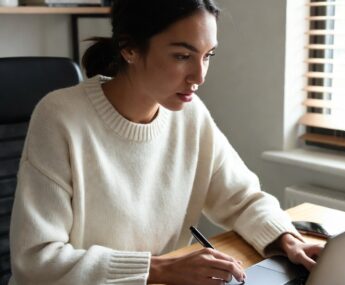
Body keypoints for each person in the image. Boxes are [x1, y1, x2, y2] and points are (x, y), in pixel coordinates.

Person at [9, 0, 323, 284]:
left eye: (208, 56)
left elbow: (243, 199)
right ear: (129, 49)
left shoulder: (191, 116)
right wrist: (158, 269)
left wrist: (286, 238)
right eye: (183, 56)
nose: (199, 76)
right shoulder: (60, 117)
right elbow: (36, 260)